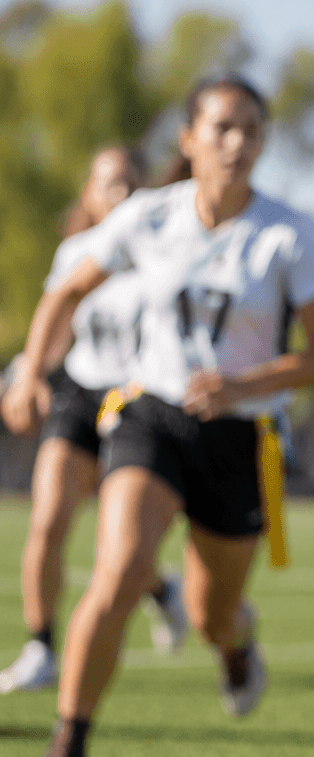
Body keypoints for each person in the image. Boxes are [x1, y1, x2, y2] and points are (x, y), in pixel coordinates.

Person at [2, 76, 314, 757]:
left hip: (239, 434)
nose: (237, 142)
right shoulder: (151, 217)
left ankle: (236, 643)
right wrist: (32, 372)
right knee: (120, 570)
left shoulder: (288, 236)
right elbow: (66, 287)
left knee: (212, 613)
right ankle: (68, 740)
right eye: (222, 127)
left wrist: (242, 384)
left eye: (250, 128)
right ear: (189, 140)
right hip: (150, 418)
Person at [0, 148, 189, 695]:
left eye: (131, 184)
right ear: (88, 193)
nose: (119, 195)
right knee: (48, 517)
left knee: (122, 545)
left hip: (139, 405)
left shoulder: (163, 254)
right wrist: (28, 374)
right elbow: (59, 322)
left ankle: (162, 591)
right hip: (81, 394)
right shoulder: (76, 254)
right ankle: (40, 648)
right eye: (108, 184)